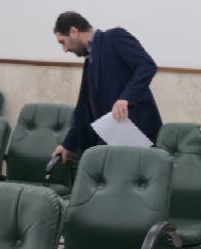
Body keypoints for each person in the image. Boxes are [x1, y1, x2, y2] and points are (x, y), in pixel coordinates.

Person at [52, 11, 163, 161]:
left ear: (74, 31)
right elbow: (83, 108)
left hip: (137, 136)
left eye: (62, 42)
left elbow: (147, 66)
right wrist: (67, 145)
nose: (64, 50)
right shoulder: (89, 61)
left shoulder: (114, 37)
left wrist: (125, 98)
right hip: (112, 140)